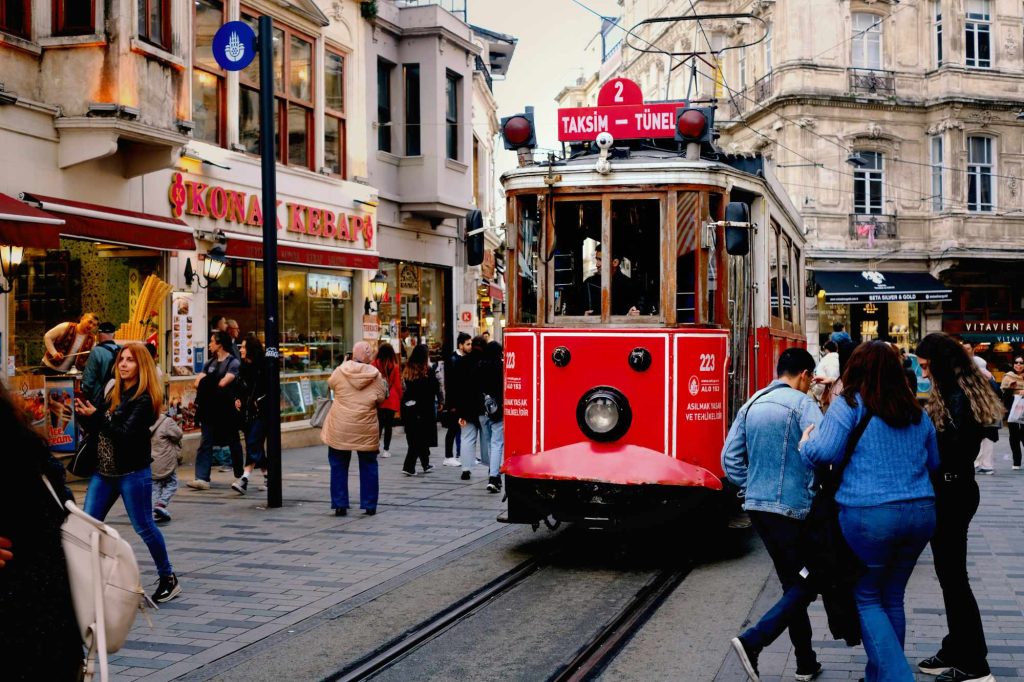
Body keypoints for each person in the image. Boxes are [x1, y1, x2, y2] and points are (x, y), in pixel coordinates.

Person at [801, 341, 939, 682]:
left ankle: (896, 678)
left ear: (855, 369)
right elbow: (934, 462)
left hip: (869, 513)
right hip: (921, 511)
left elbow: (824, 453)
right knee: (892, 595)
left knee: (866, 596)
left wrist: (806, 442)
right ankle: (879, 675)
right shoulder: (915, 411)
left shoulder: (848, 404)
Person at [722, 347, 823, 682]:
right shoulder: (803, 404)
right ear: (805, 375)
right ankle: (754, 641)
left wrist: (752, 486)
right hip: (794, 510)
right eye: (810, 381)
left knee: (792, 583)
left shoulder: (752, 403)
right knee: (812, 579)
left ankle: (806, 662)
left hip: (758, 509)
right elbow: (823, 451)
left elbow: (730, 458)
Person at [915, 332, 1003, 682]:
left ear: (938, 363)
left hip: (952, 492)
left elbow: (945, 451)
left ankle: (976, 664)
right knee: (950, 577)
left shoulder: (956, 398)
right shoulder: (967, 389)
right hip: (960, 489)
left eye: (925, 366)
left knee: (954, 580)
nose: (923, 374)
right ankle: (955, 647)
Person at [74, 342, 181, 603]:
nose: (123, 364)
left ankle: (168, 577)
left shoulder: (144, 399)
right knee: (87, 525)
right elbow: (100, 424)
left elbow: (124, 435)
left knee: (144, 526)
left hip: (132, 473)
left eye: (130, 360)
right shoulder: (113, 391)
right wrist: (85, 414)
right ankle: (88, 581)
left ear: (141, 365)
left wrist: (97, 417)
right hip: (104, 472)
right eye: (121, 359)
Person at [0, 384, 83, 680]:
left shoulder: (19, 454)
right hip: (54, 627)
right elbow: (64, 513)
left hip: (22, 629)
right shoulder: (28, 446)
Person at [322, 341, 387, 516]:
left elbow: (331, 384)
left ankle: (340, 504)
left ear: (352, 354)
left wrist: (344, 364)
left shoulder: (340, 370)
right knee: (368, 464)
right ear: (368, 356)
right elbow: (381, 398)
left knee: (338, 464)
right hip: (365, 426)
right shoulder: (375, 375)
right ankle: (369, 504)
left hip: (341, 425)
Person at [188, 331, 243, 490]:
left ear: (220, 344)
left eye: (212, 341)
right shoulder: (209, 363)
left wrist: (207, 382)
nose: (210, 344)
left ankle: (240, 476)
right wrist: (210, 382)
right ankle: (202, 478)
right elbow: (197, 382)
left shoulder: (233, 363)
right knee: (206, 441)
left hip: (226, 409)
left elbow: (224, 382)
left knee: (233, 442)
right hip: (209, 409)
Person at [231, 335, 268, 495]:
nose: (240, 349)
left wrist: (259, 401)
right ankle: (267, 476)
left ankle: (245, 478)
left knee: (253, 442)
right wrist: (237, 399)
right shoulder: (244, 367)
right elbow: (239, 388)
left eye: (244, 347)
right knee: (255, 444)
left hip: (262, 413)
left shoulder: (264, 367)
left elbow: (271, 390)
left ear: (251, 349)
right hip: (247, 413)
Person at [401, 344, 441, 476]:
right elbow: (434, 387)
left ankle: (425, 464)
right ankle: (409, 466)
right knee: (418, 440)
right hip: (423, 409)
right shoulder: (426, 371)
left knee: (416, 437)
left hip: (408, 407)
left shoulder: (408, 369)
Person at [584, 248, 642, 316]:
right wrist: (583, 316)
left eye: (600, 260)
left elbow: (639, 311)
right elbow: (576, 310)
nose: (597, 264)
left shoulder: (631, 285)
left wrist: (629, 315)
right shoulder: (589, 283)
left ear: (615, 262)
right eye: (597, 259)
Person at [442, 333, 472, 466]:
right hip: (455, 401)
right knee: (453, 428)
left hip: (464, 400)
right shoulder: (453, 359)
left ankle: (462, 454)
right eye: (468, 344)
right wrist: (451, 403)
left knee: (463, 428)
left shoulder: (466, 358)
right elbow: (451, 383)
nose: (470, 346)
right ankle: (448, 456)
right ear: (461, 345)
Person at [151, 409, 184, 524]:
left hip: (152, 462)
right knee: (172, 483)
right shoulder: (167, 421)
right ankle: (161, 504)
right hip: (166, 461)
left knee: (155, 487)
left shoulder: (146, 421)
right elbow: (178, 434)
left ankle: (152, 511)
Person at [481, 341, 505, 493]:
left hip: (481, 411)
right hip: (497, 411)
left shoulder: (479, 366)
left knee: (490, 443)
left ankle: (492, 470)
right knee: (497, 444)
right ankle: (494, 477)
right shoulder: (500, 368)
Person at [372, 342, 401, 459]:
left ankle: (375, 447)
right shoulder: (395, 366)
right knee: (388, 426)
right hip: (391, 398)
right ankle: (386, 449)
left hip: (379, 397)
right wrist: (400, 397)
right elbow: (398, 385)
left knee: (378, 424)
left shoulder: (374, 364)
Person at [81, 321, 120, 406]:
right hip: (118, 397)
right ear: (114, 335)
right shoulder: (121, 349)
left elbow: (88, 379)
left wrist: (85, 395)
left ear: (98, 335)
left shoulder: (96, 351)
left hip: (100, 399)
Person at [1001, 356, 1024, 470]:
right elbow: (1003, 393)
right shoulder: (1008, 376)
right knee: (1014, 436)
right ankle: (1017, 461)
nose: (1018, 365)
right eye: (1016, 362)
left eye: (1021, 363)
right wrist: (1011, 389)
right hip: (1013, 409)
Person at [811, 341, 840, 406]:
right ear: (837, 349)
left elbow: (821, 384)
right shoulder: (841, 360)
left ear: (826, 350)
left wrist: (816, 394)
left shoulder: (824, 361)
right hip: (840, 396)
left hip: (828, 397)